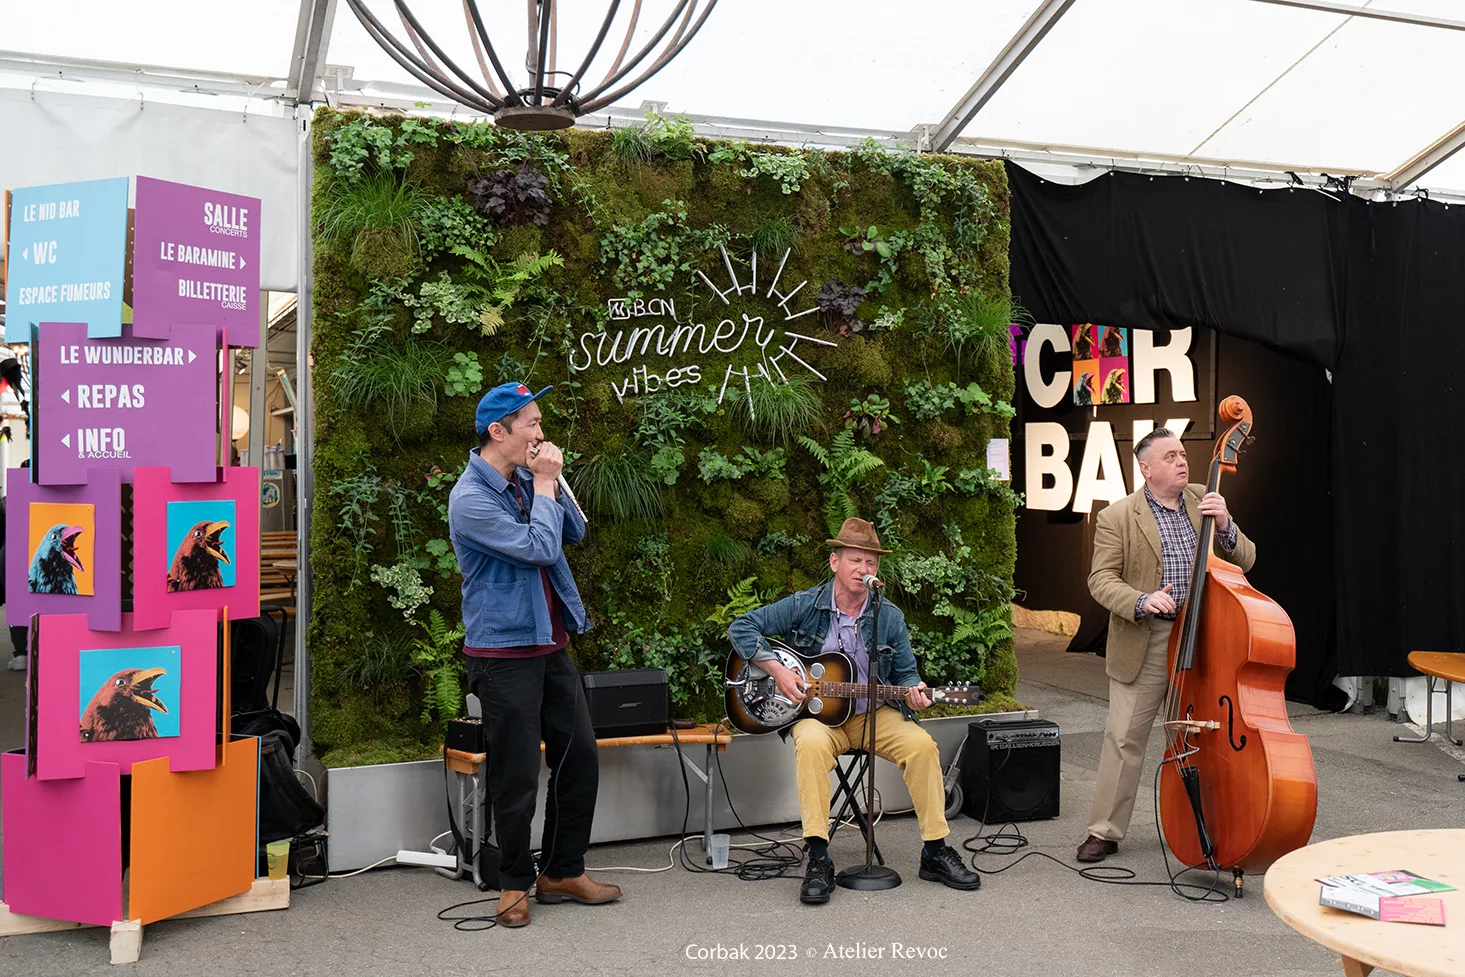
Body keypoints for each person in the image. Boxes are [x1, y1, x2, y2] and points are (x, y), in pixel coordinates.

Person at [727, 517, 980, 904]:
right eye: (856, 560)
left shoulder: (888, 615)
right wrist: (777, 670)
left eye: (871, 563)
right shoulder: (804, 604)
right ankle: (818, 857)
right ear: (835, 562)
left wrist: (916, 692)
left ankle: (935, 851)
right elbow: (741, 627)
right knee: (811, 746)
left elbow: (907, 675)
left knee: (922, 747)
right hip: (817, 719)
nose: (864, 569)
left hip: (872, 716)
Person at [448, 381, 620, 928]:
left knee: (579, 758)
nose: (542, 433)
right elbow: (540, 548)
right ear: (498, 432)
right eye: (532, 425)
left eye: (541, 423)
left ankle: (562, 871)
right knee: (517, 773)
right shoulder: (470, 499)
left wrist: (550, 480)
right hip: (503, 652)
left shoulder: (526, 479)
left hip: (550, 642)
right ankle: (514, 882)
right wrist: (544, 482)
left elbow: (573, 531)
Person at [1076, 428, 1256, 863]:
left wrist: (1227, 526)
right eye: (1170, 456)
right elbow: (1101, 580)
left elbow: (1247, 559)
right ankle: (1104, 831)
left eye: (1182, 454)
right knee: (1125, 738)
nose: (1182, 462)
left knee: (1201, 737)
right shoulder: (1118, 516)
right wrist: (1141, 600)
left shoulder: (1203, 498)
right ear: (1146, 468)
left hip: (1205, 637)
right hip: (1149, 637)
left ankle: (1206, 826)